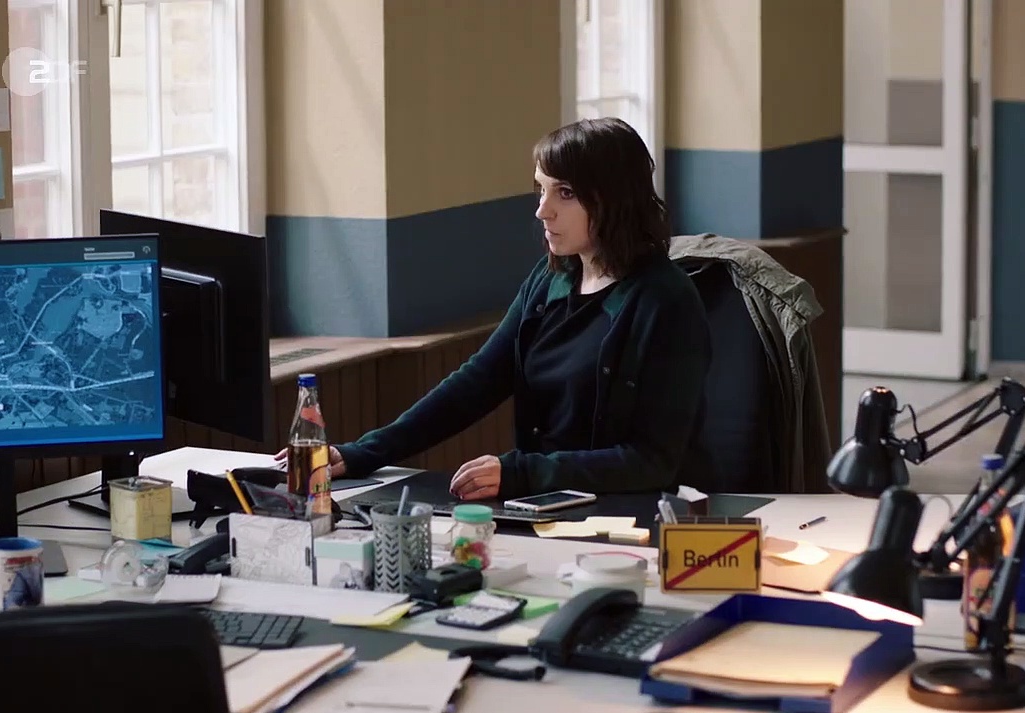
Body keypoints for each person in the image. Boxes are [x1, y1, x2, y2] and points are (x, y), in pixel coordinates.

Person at [279, 117, 714, 501]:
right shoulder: (550, 280)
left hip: (632, 516)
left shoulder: (666, 301)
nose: (543, 211)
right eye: (542, 189)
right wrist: (363, 452)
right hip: (543, 505)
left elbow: (652, 461)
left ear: (613, 200)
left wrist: (522, 473)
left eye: (564, 193)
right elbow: (476, 382)